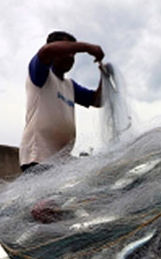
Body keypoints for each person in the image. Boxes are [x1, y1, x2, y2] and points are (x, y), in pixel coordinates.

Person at [19, 31, 106, 172]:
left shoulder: (70, 85)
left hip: (62, 161)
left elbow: (98, 101)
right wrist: (87, 48)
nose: (71, 56)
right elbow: (46, 51)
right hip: (39, 157)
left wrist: (104, 76)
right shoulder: (41, 74)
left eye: (73, 54)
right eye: (68, 50)